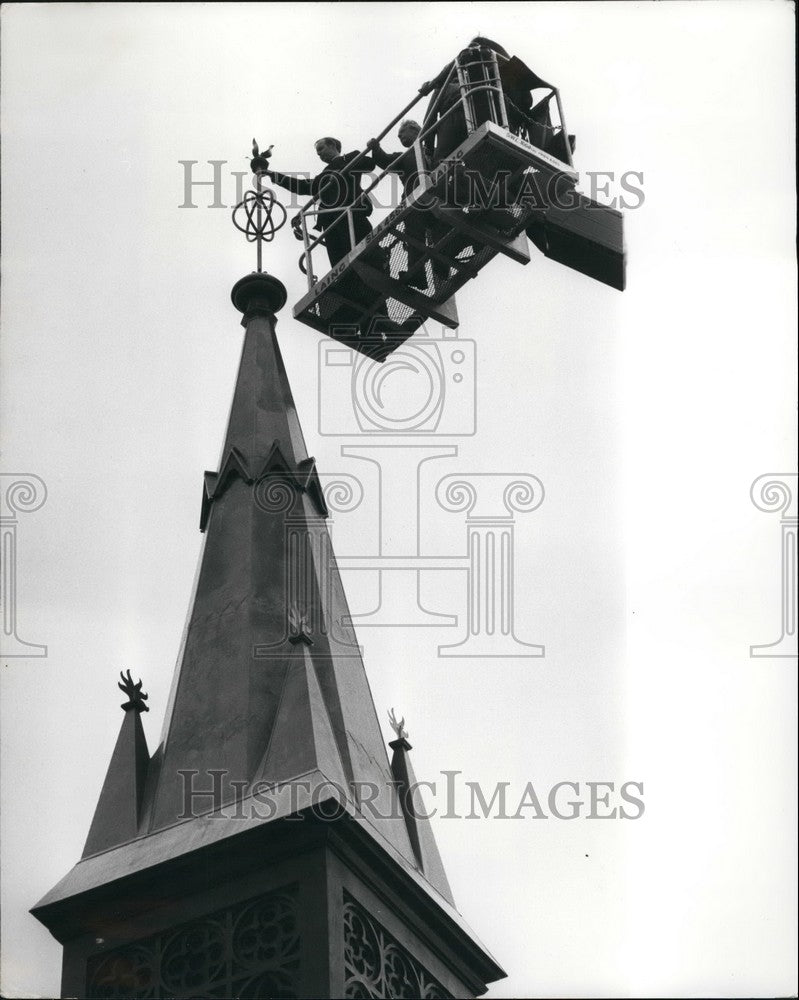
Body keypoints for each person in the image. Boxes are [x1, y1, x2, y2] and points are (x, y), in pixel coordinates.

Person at [266, 137, 376, 270]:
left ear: (332, 145)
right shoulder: (323, 176)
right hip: (330, 223)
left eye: (321, 149)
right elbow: (302, 186)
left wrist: (369, 150)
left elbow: (369, 164)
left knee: (365, 259)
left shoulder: (349, 158)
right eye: (317, 153)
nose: (319, 155)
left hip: (352, 216)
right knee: (340, 266)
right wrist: (272, 174)